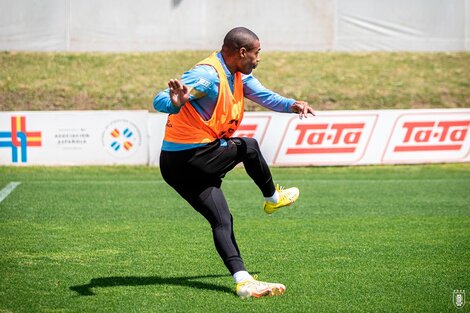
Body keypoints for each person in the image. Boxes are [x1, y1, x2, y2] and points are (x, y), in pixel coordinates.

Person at [153, 27, 315, 299]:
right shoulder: (208, 75)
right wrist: (174, 101)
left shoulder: (239, 75)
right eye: (257, 52)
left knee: (222, 219)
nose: (259, 58)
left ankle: (243, 281)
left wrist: (292, 105)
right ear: (242, 53)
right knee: (248, 146)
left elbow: (265, 96)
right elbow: (161, 98)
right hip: (191, 158)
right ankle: (273, 198)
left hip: (175, 166)